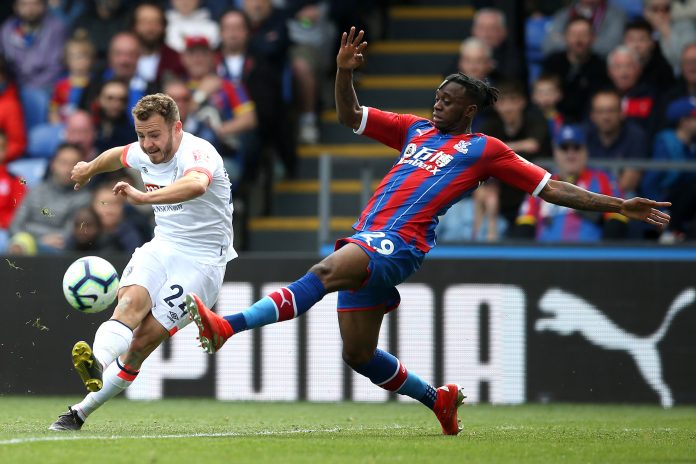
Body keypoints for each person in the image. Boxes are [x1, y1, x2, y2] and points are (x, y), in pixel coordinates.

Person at [184, 27, 671, 436]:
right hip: (371, 235)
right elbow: (349, 117)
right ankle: (438, 399)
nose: (438, 105)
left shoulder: (485, 149)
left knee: (327, 268)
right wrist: (343, 73)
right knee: (358, 354)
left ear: (468, 111)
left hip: (400, 243)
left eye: (449, 100)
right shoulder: (415, 130)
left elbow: (550, 188)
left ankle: (229, 326)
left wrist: (617, 205)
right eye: (437, 96)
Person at [49, 92, 236, 431]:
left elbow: (195, 185)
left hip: (203, 262)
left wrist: (143, 197)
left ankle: (81, 411)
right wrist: (89, 169)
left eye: (155, 135)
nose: (147, 144)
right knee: (129, 302)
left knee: (141, 342)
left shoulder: (198, 151)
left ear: (176, 127)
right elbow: (117, 156)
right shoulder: (142, 149)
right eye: (141, 135)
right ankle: (96, 363)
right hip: (163, 246)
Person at [512, 124, 628, 242]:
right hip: (547, 256)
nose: (570, 154)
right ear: (555, 152)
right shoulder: (539, 183)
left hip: (590, 256)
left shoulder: (604, 180)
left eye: (576, 147)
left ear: (586, 151)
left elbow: (617, 223)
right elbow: (524, 227)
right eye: (564, 147)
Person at [8, 142, 90, 254]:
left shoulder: (84, 198)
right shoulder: (36, 190)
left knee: (19, 246)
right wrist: (40, 240)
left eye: (73, 164)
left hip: (59, 251)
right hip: (27, 243)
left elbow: (69, 235)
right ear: (53, 164)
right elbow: (15, 226)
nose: (67, 169)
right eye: (63, 163)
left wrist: (30, 231)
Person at [585, 89, 648, 197]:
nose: (605, 117)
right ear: (592, 116)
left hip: (621, 198)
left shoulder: (635, 136)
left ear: (621, 113)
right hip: (589, 196)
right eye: (600, 111)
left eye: (611, 111)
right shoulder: (584, 135)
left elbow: (628, 184)